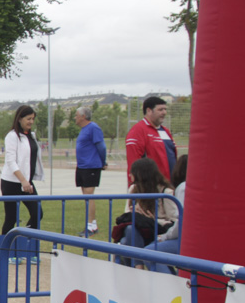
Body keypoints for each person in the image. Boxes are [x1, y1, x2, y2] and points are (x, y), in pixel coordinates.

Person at [113, 157, 179, 266]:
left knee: (126, 242)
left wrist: (152, 219)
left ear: (141, 174)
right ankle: (138, 268)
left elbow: (174, 220)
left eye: (132, 172)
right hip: (139, 231)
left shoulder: (165, 192)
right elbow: (128, 215)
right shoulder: (133, 189)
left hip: (158, 232)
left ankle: (138, 269)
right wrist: (138, 216)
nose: (129, 175)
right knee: (129, 230)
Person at [0, 105, 45, 264]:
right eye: (28, 119)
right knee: (10, 217)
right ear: (19, 119)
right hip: (11, 182)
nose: (31, 122)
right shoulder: (12, 136)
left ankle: (27, 247)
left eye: (33, 119)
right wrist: (23, 180)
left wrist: (29, 179)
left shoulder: (31, 136)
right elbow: (10, 161)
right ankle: (5, 252)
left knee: (37, 213)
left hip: (27, 182)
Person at [142, 154, 187, 273]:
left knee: (149, 253)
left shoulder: (182, 188)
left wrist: (165, 236)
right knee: (129, 238)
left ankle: (171, 287)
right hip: (184, 237)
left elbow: (180, 220)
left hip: (184, 239)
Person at [125, 96, 176, 185]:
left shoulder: (166, 131)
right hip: (151, 187)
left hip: (169, 186)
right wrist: (136, 186)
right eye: (160, 110)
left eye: (165, 109)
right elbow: (133, 162)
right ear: (148, 111)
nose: (164, 112)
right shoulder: (138, 131)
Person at [73, 106, 107, 236]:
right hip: (82, 166)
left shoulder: (93, 127)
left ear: (83, 116)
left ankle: (91, 226)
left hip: (90, 166)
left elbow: (101, 146)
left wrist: (102, 162)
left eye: (76, 115)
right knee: (86, 196)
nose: (75, 118)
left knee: (89, 195)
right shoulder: (84, 130)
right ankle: (92, 224)